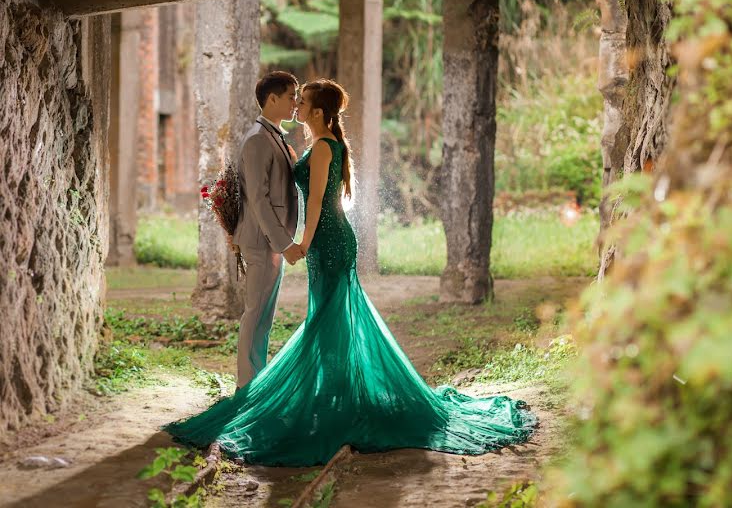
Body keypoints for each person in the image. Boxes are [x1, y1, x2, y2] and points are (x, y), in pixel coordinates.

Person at [164, 79, 536, 467]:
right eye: (294, 98)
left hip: (327, 241)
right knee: (325, 319)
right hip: (321, 241)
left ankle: (331, 398)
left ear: (319, 112)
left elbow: (322, 202)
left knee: (326, 320)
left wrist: (302, 244)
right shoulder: (303, 143)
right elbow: (270, 191)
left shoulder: (323, 147)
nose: (298, 105)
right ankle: (329, 394)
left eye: (303, 101)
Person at [230, 71, 304, 389]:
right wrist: (284, 243)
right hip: (262, 242)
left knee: (264, 318)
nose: (296, 102)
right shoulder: (258, 139)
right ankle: (246, 387)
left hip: (271, 241)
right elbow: (258, 199)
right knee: (255, 313)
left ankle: (256, 381)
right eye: (291, 96)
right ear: (271, 99)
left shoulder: (275, 135)